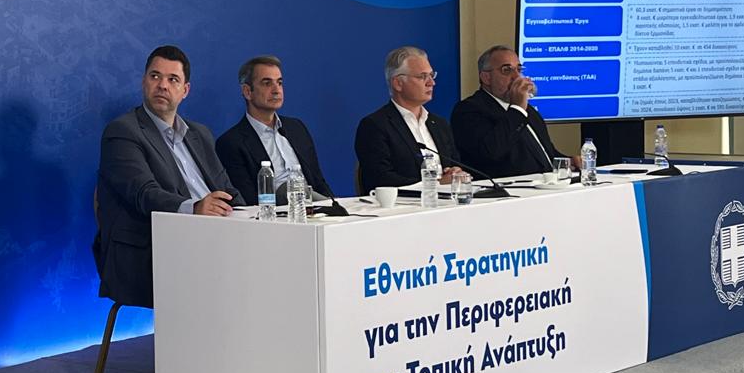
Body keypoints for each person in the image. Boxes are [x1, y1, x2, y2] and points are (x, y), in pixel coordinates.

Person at [93, 45, 243, 309]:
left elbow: (226, 189)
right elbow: (144, 194)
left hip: (213, 240)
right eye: (155, 76)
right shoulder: (122, 132)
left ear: (185, 90)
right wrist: (195, 208)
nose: (162, 85)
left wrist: (257, 218)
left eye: (173, 79)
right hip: (152, 251)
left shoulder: (200, 134)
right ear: (144, 82)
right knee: (235, 281)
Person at [215, 55, 336, 205]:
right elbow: (248, 200)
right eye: (267, 83)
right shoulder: (231, 143)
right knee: (286, 189)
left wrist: (333, 207)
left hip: (313, 210)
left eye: (279, 83)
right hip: (274, 214)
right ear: (247, 92)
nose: (276, 90)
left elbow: (318, 182)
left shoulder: (296, 128)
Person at [451, 45, 575, 179]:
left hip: (546, 184)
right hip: (507, 188)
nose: (517, 77)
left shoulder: (527, 110)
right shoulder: (468, 110)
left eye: (519, 69)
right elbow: (491, 152)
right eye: (507, 70)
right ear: (486, 78)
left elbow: (546, 152)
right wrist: (517, 109)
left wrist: (569, 162)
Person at [354, 46, 468, 191]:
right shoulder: (375, 126)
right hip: (402, 203)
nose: (431, 83)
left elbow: (454, 163)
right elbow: (380, 179)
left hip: (446, 200)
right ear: (398, 83)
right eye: (422, 76)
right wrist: (436, 185)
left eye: (431, 75)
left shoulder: (439, 124)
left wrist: (455, 172)